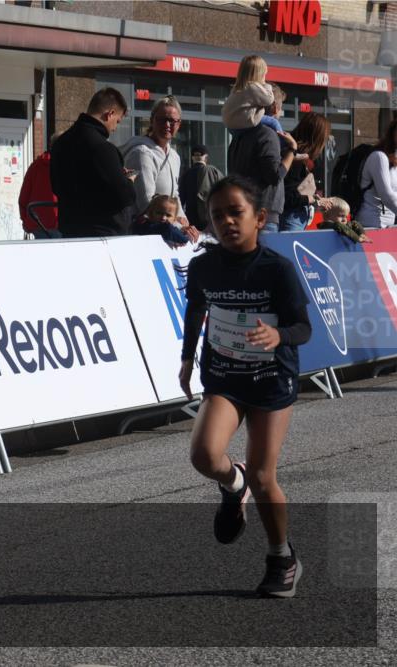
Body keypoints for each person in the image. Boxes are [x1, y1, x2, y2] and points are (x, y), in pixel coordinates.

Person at [179, 175, 312, 598]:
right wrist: (186, 359)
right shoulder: (203, 265)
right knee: (203, 455)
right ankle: (230, 483)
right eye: (218, 215)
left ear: (260, 218)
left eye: (236, 213)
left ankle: (281, 557)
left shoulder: (277, 269)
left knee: (262, 475)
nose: (227, 222)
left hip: (271, 378)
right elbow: (196, 309)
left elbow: (304, 327)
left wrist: (278, 337)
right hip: (224, 375)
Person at [50, 87, 137, 237]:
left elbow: (56, 186)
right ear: (109, 114)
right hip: (102, 233)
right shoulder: (102, 147)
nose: (115, 128)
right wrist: (129, 181)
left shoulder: (61, 142)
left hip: (70, 229)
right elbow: (123, 195)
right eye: (117, 121)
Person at [123, 96, 187, 220]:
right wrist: (178, 225)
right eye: (162, 120)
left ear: (179, 124)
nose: (167, 125)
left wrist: (185, 222)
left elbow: (174, 196)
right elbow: (146, 204)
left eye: (172, 121)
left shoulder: (174, 156)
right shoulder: (141, 153)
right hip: (146, 232)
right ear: (152, 120)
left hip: (167, 227)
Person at [281, 113, 333, 232]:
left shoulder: (300, 157)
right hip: (291, 218)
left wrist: (315, 198)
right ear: (317, 137)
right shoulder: (296, 159)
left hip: (295, 218)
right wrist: (313, 199)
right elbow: (287, 196)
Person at [18, 132, 62, 238]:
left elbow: (23, 197)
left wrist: (26, 221)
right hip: (59, 224)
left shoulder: (36, 166)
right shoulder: (67, 166)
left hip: (38, 224)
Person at [356, 117, 397, 229]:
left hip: (388, 226)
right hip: (371, 225)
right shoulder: (379, 157)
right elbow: (386, 195)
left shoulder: (394, 161)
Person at [179, 144, 223, 231]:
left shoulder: (186, 174)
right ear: (206, 157)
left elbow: (181, 198)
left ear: (192, 158)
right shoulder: (213, 171)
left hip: (191, 219)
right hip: (209, 217)